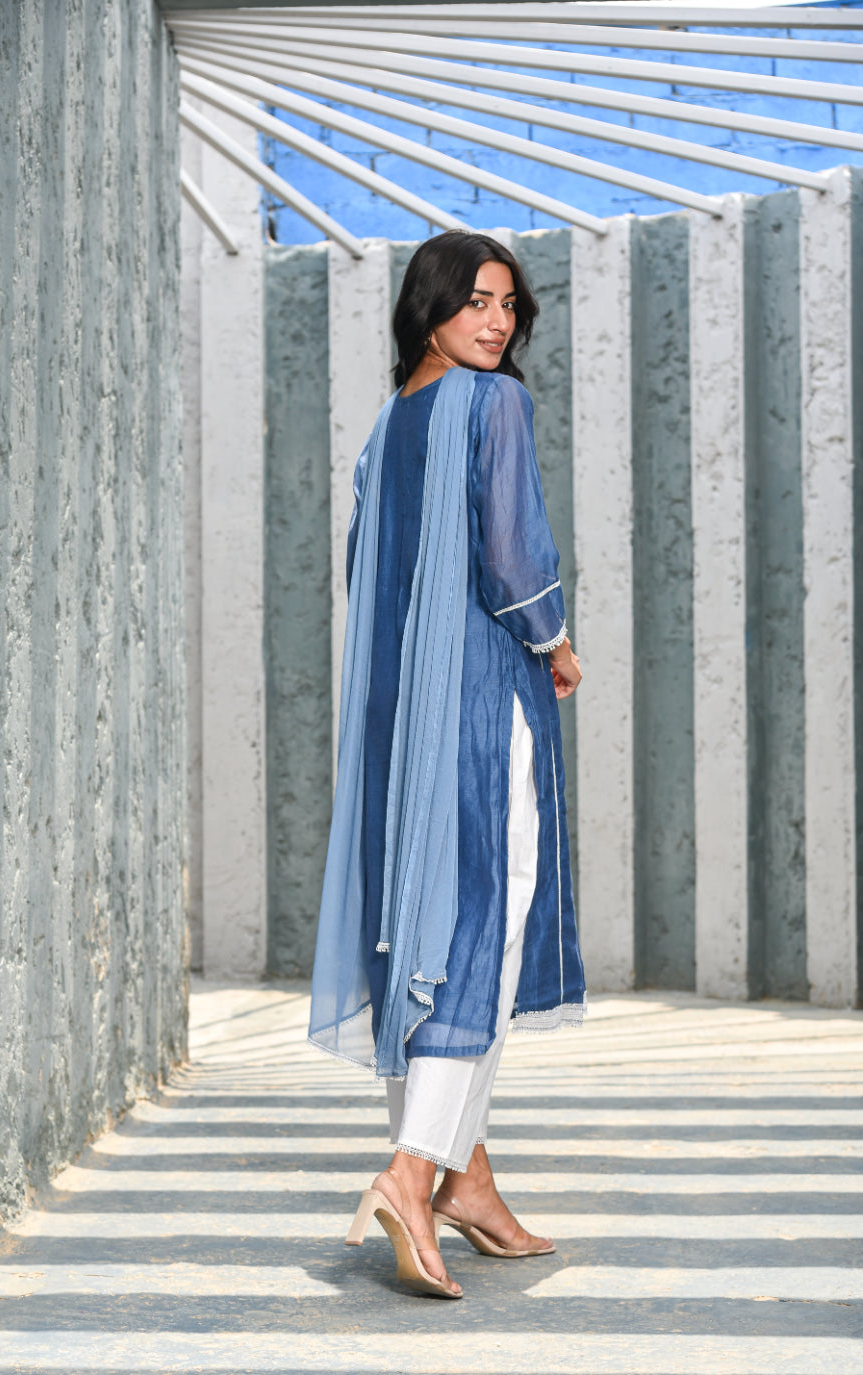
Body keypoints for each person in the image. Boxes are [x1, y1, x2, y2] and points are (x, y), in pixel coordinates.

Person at [308, 229, 585, 1299]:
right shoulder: (496, 407)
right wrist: (554, 640)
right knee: (485, 920)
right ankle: (412, 1167)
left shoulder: (388, 432)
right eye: (477, 301)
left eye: (510, 307)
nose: (497, 322)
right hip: (474, 703)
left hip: (393, 716)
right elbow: (514, 555)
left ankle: (465, 1175)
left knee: (415, 928)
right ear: (429, 303)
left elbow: (362, 580)